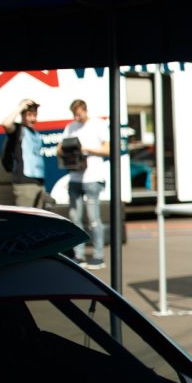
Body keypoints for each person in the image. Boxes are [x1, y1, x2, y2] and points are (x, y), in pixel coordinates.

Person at [60, 100, 111, 269]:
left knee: (93, 218)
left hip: (92, 177)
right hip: (75, 177)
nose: (77, 117)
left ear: (85, 110)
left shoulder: (98, 124)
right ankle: (79, 255)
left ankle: (98, 256)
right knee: (75, 219)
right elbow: (60, 148)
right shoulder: (70, 127)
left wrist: (85, 149)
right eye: (74, 114)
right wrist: (66, 149)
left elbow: (108, 149)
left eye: (79, 113)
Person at [1, 99, 48, 208]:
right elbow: (6, 124)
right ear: (22, 115)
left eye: (35, 115)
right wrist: (21, 107)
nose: (33, 119)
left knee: (39, 221)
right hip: (25, 183)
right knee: (26, 221)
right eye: (29, 115)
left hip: (39, 183)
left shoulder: (35, 133)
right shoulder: (18, 130)